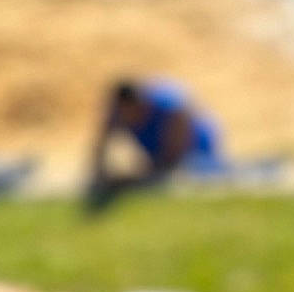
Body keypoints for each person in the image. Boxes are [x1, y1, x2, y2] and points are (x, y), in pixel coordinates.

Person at [84, 77, 226, 211]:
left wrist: (147, 174)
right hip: (160, 154)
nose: (128, 117)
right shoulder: (118, 113)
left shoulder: (168, 107)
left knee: (192, 178)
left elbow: (175, 152)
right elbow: (101, 148)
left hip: (198, 148)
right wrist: (101, 174)